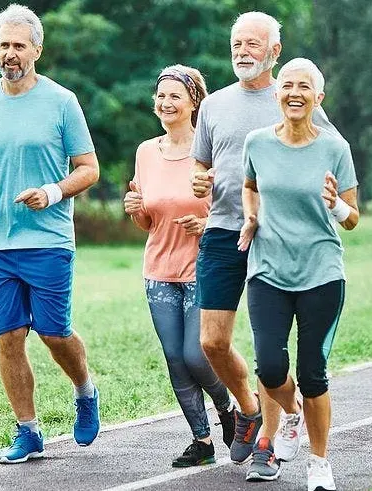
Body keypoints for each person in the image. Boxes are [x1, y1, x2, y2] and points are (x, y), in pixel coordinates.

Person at [190, 11, 343, 469]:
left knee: (267, 347)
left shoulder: (294, 97)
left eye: (252, 44)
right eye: (236, 44)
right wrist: (200, 183)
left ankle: (268, 447)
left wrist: (328, 204)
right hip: (222, 229)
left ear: (274, 52)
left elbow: (329, 153)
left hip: (276, 236)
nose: (242, 52)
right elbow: (200, 164)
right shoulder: (215, 104)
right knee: (212, 341)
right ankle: (254, 412)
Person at [0, 3, 101, 464]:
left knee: (54, 333)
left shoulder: (62, 102)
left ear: (37, 49)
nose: (10, 54)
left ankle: (85, 389)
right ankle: (28, 430)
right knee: (9, 337)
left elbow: (89, 169)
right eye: (3, 45)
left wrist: (53, 192)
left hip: (48, 239)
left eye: (19, 45)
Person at [237, 58, 358, 490]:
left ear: (317, 98)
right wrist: (251, 217)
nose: (294, 93)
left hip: (321, 272)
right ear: (277, 94)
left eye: (304, 87)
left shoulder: (334, 148)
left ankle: (320, 462)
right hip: (268, 269)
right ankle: (292, 415)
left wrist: (335, 205)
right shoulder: (257, 143)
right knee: (270, 367)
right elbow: (249, 186)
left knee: (312, 373)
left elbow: (353, 218)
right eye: (287, 85)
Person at [123, 65, 236, 468]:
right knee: (174, 358)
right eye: (161, 96)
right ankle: (202, 441)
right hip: (158, 271)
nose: (165, 103)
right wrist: (135, 210)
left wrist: (206, 225)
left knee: (196, 354)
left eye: (175, 96)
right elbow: (148, 221)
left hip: (202, 268)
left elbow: (231, 211)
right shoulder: (145, 152)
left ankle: (227, 409)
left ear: (194, 103)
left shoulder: (210, 153)